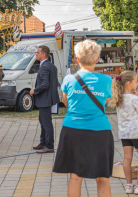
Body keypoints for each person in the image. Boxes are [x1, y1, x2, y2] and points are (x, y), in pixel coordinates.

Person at [53, 40, 113, 197]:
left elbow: (65, 102)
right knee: (102, 177)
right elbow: (105, 102)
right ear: (98, 58)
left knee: (75, 176)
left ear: (77, 59)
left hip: (73, 129)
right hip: (100, 131)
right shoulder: (106, 80)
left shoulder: (69, 79)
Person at [110, 71, 138, 194]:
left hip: (124, 133)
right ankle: (137, 187)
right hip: (136, 132)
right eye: (136, 82)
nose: (137, 84)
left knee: (127, 159)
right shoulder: (134, 99)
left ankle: (129, 185)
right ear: (128, 83)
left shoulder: (118, 99)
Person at [30, 45, 59, 153]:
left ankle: (49, 145)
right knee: (43, 121)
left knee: (46, 123)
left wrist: (34, 90)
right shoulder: (51, 66)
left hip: (45, 99)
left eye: (37, 53)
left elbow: (45, 84)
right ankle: (43, 142)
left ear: (43, 54)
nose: (36, 54)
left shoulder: (45, 67)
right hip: (48, 98)